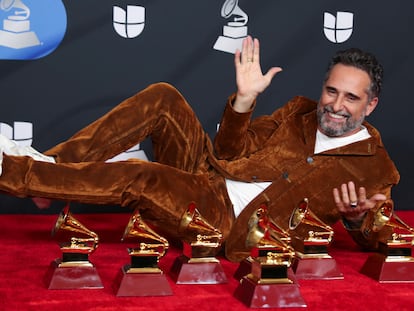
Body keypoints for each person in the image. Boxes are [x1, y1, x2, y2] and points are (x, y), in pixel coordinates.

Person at [0, 36, 399, 262]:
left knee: (145, 177)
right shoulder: (299, 111)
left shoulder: (377, 168)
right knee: (164, 97)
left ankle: (14, 173)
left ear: (371, 104)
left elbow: (378, 238)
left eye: (350, 98)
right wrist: (243, 101)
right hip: (210, 174)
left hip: (225, 221)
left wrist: (353, 220)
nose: (336, 105)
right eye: (331, 91)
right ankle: (50, 167)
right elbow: (229, 152)